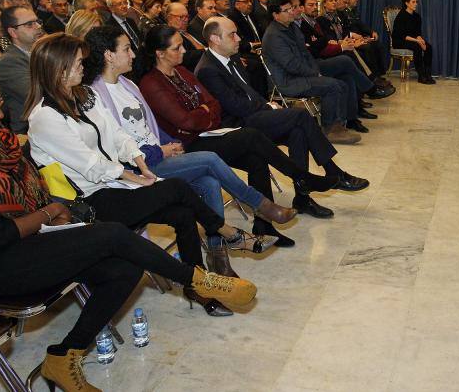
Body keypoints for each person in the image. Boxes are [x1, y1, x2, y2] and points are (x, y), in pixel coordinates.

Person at [0, 62, 256, 392]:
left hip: (34, 238)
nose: (0, 114)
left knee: (124, 269)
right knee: (111, 233)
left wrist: (55, 212)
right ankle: (200, 281)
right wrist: (50, 211)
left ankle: (63, 356)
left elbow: (35, 188)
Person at [25, 35, 261, 308]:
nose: (83, 66)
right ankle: (228, 234)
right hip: (89, 201)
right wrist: (132, 176)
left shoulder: (85, 95)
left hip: (115, 186)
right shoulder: (44, 117)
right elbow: (90, 164)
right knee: (176, 188)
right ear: (59, 67)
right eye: (78, 62)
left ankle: (198, 286)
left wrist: (138, 160)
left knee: (184, 213)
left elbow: (116, 134)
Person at [138, 25, 340, 247]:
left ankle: (264, 226)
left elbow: (213, 105)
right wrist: (203, 113)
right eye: (177, 48)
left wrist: (203, 114)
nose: (184, 51)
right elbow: (185, 122)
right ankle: (303, 177)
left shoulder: (182, 72)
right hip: (187, 147)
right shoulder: (152, 83)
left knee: (256, 157)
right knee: (251, 137)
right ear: (160, 53)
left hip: (209, 134)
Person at [83, 24, 296, 231]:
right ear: (108, 55)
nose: (133, 55)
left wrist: (169, 144)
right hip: (142, 166)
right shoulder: (97, 95)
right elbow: (115, 145)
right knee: (212, 157)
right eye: (126, 49)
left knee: (210, 183)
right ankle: (261, 205)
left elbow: (150, 127)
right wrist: (160, 150)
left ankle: (217, 251)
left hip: (159, 153)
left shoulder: (127, 85)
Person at [196, 16, 370, 217]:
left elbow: (249, 93)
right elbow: (236, 107)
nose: (238, 38)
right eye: (232, 34)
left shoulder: (231, 57)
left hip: (253, 116)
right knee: (301, 116)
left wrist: (267, 104)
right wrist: (268, 108)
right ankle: (333, 172)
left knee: (298, 132)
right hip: (236, 127)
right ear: (215, 39)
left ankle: (303, 198)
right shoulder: (208, 69)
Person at [262, 0, 362, 143]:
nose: (291, 12)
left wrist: (316, 71)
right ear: (275, 15)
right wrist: (315, 74)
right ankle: (330, 130)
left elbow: (306, 54)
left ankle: (339, 125)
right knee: (332, 86)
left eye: (291, 8)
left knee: (342, 82)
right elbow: (291, 65)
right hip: (287, 81)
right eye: (286, 10)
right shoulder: (273, 36)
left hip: (300, 75)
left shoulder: (291, 27)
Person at [0, 6, 44, 133]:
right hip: (29, 129)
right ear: (13, 32)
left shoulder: (41, 51)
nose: (38, 26)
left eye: (38, 21)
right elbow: (38, 96)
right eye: (29, 24)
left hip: (51, 118)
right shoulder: (9, 62)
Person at [391, 0, 435, 84]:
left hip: (413, 40)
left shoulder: (417, 16)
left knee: (428, 47)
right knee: (417, 47)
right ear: (407, 3)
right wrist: (418, 41)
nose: (416, 4)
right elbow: (401, 35)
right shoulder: (401, 16)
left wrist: (421, 40)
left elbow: (417, 33)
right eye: (413, 2)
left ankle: (428, 74)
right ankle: (421, 76)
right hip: (400, 40)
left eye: (416, 2)